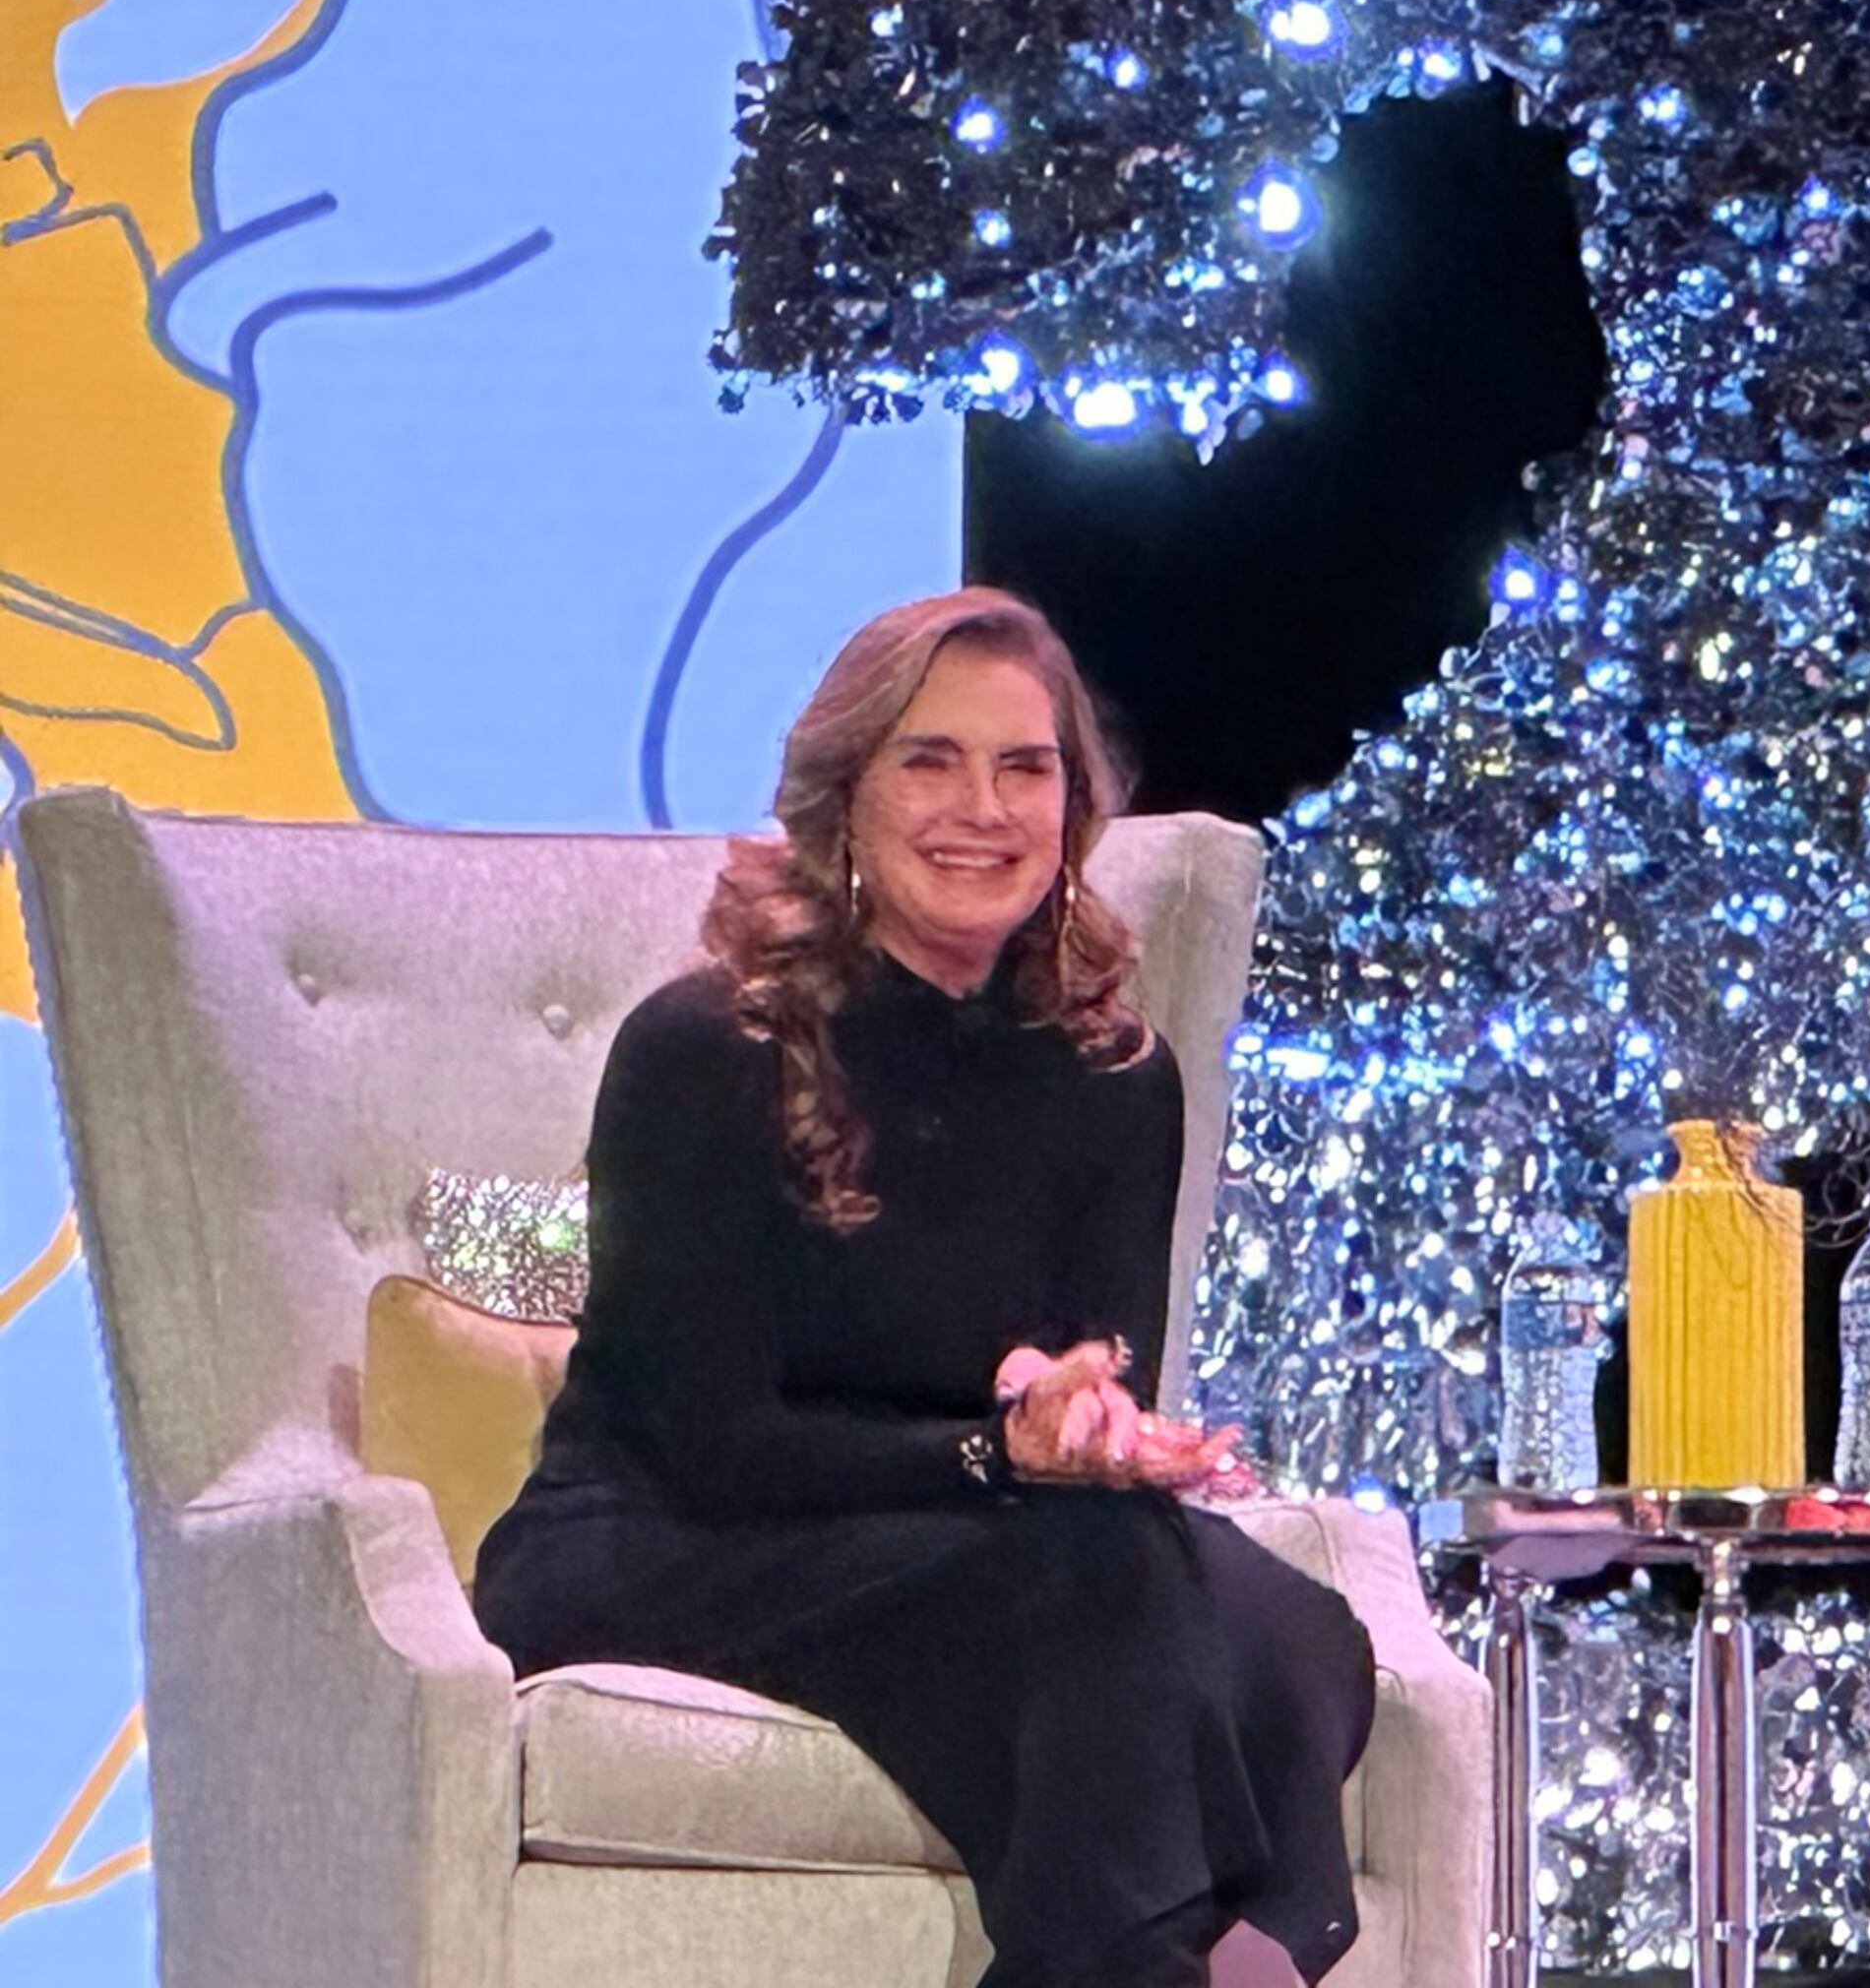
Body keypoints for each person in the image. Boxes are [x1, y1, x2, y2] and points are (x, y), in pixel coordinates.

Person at [472, 591, 1375, 1988]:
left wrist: (1106, 1440)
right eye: (930, 760)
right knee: (1099, 1591)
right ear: (847, 793)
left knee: (1299, 1624)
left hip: (976, 1530)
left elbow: (1088, 1381)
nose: (982, 808)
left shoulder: (1115, 1078)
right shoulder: (706, 1049)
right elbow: (711, 1443)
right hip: (665, 1530)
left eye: (1026, 767)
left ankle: (1204, 1954)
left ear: (1074, 807)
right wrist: (998, 1460)